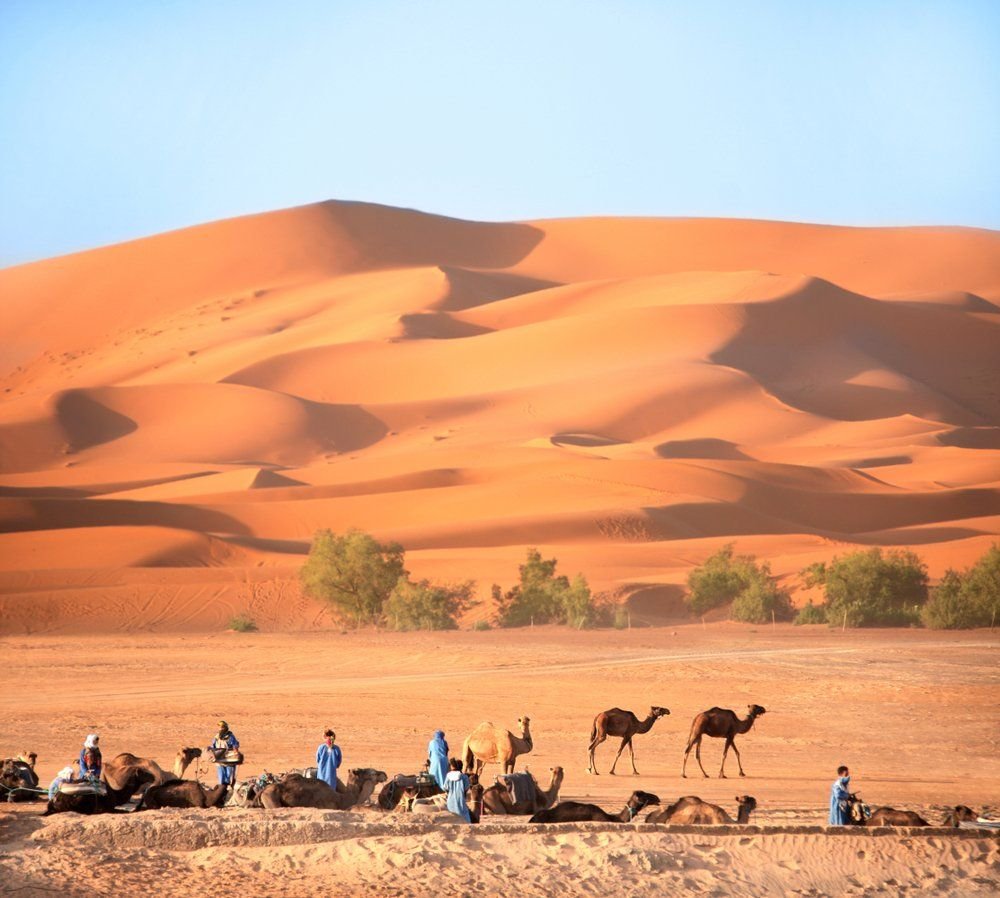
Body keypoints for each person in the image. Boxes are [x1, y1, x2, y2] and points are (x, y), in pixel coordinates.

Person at [207, 719, 240, 786]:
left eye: (222, 727)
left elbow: (235, 746)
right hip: (219, 759)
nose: (220, 729)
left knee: (228, 777)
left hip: (229, 759)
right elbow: (213, 746)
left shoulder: (230, 737)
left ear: (225, 728)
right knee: (221, 777)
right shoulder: (216, 737)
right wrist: (210, 749)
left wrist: (236, 753)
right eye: (219, 727)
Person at [444, 757, 472, 823]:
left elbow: (445, 788)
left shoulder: (448, 776)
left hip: (450, 800)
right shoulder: (464, 777)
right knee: (464, 817)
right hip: (460, 799)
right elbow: (466, 788)